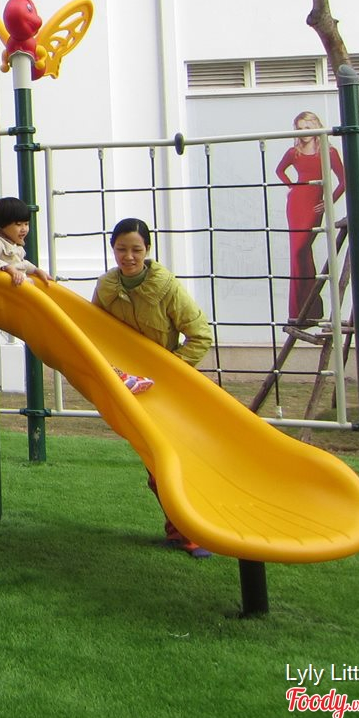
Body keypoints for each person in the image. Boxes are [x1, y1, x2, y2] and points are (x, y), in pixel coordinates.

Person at [92, 217, 216, 558]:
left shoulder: (166, 287)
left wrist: (170, 370)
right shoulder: (106, 287)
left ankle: (192, 531)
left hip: (166, 387)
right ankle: (180, 531)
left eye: (136, 249)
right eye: (121, 249)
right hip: (129, 386)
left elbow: (200, 335)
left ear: (147, 249)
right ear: (112, 249)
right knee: (155, 461)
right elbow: (93, 331)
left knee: (171, 459)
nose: (128, 257)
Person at [275, 110, 345, 325]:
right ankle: (302, 311)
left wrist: (329, 201)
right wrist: (292, 187)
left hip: (314, 205)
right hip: (296, 204)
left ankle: (310, 308)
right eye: (299, 128)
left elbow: (344, 180)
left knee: (302, 250)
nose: (303, 132)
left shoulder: (328, 152)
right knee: (297, 254)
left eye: (307, 127)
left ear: (316, 127)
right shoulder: (293, 152)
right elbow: (280, 171)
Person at [0, 196, 52, 287]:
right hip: (5, 291)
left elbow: (21, 263)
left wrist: (35, 270)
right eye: (18, 224)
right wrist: (7, 267)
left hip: (20, 289)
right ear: (1, 224)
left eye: (26, 224)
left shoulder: (13, 243)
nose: (24, 229)